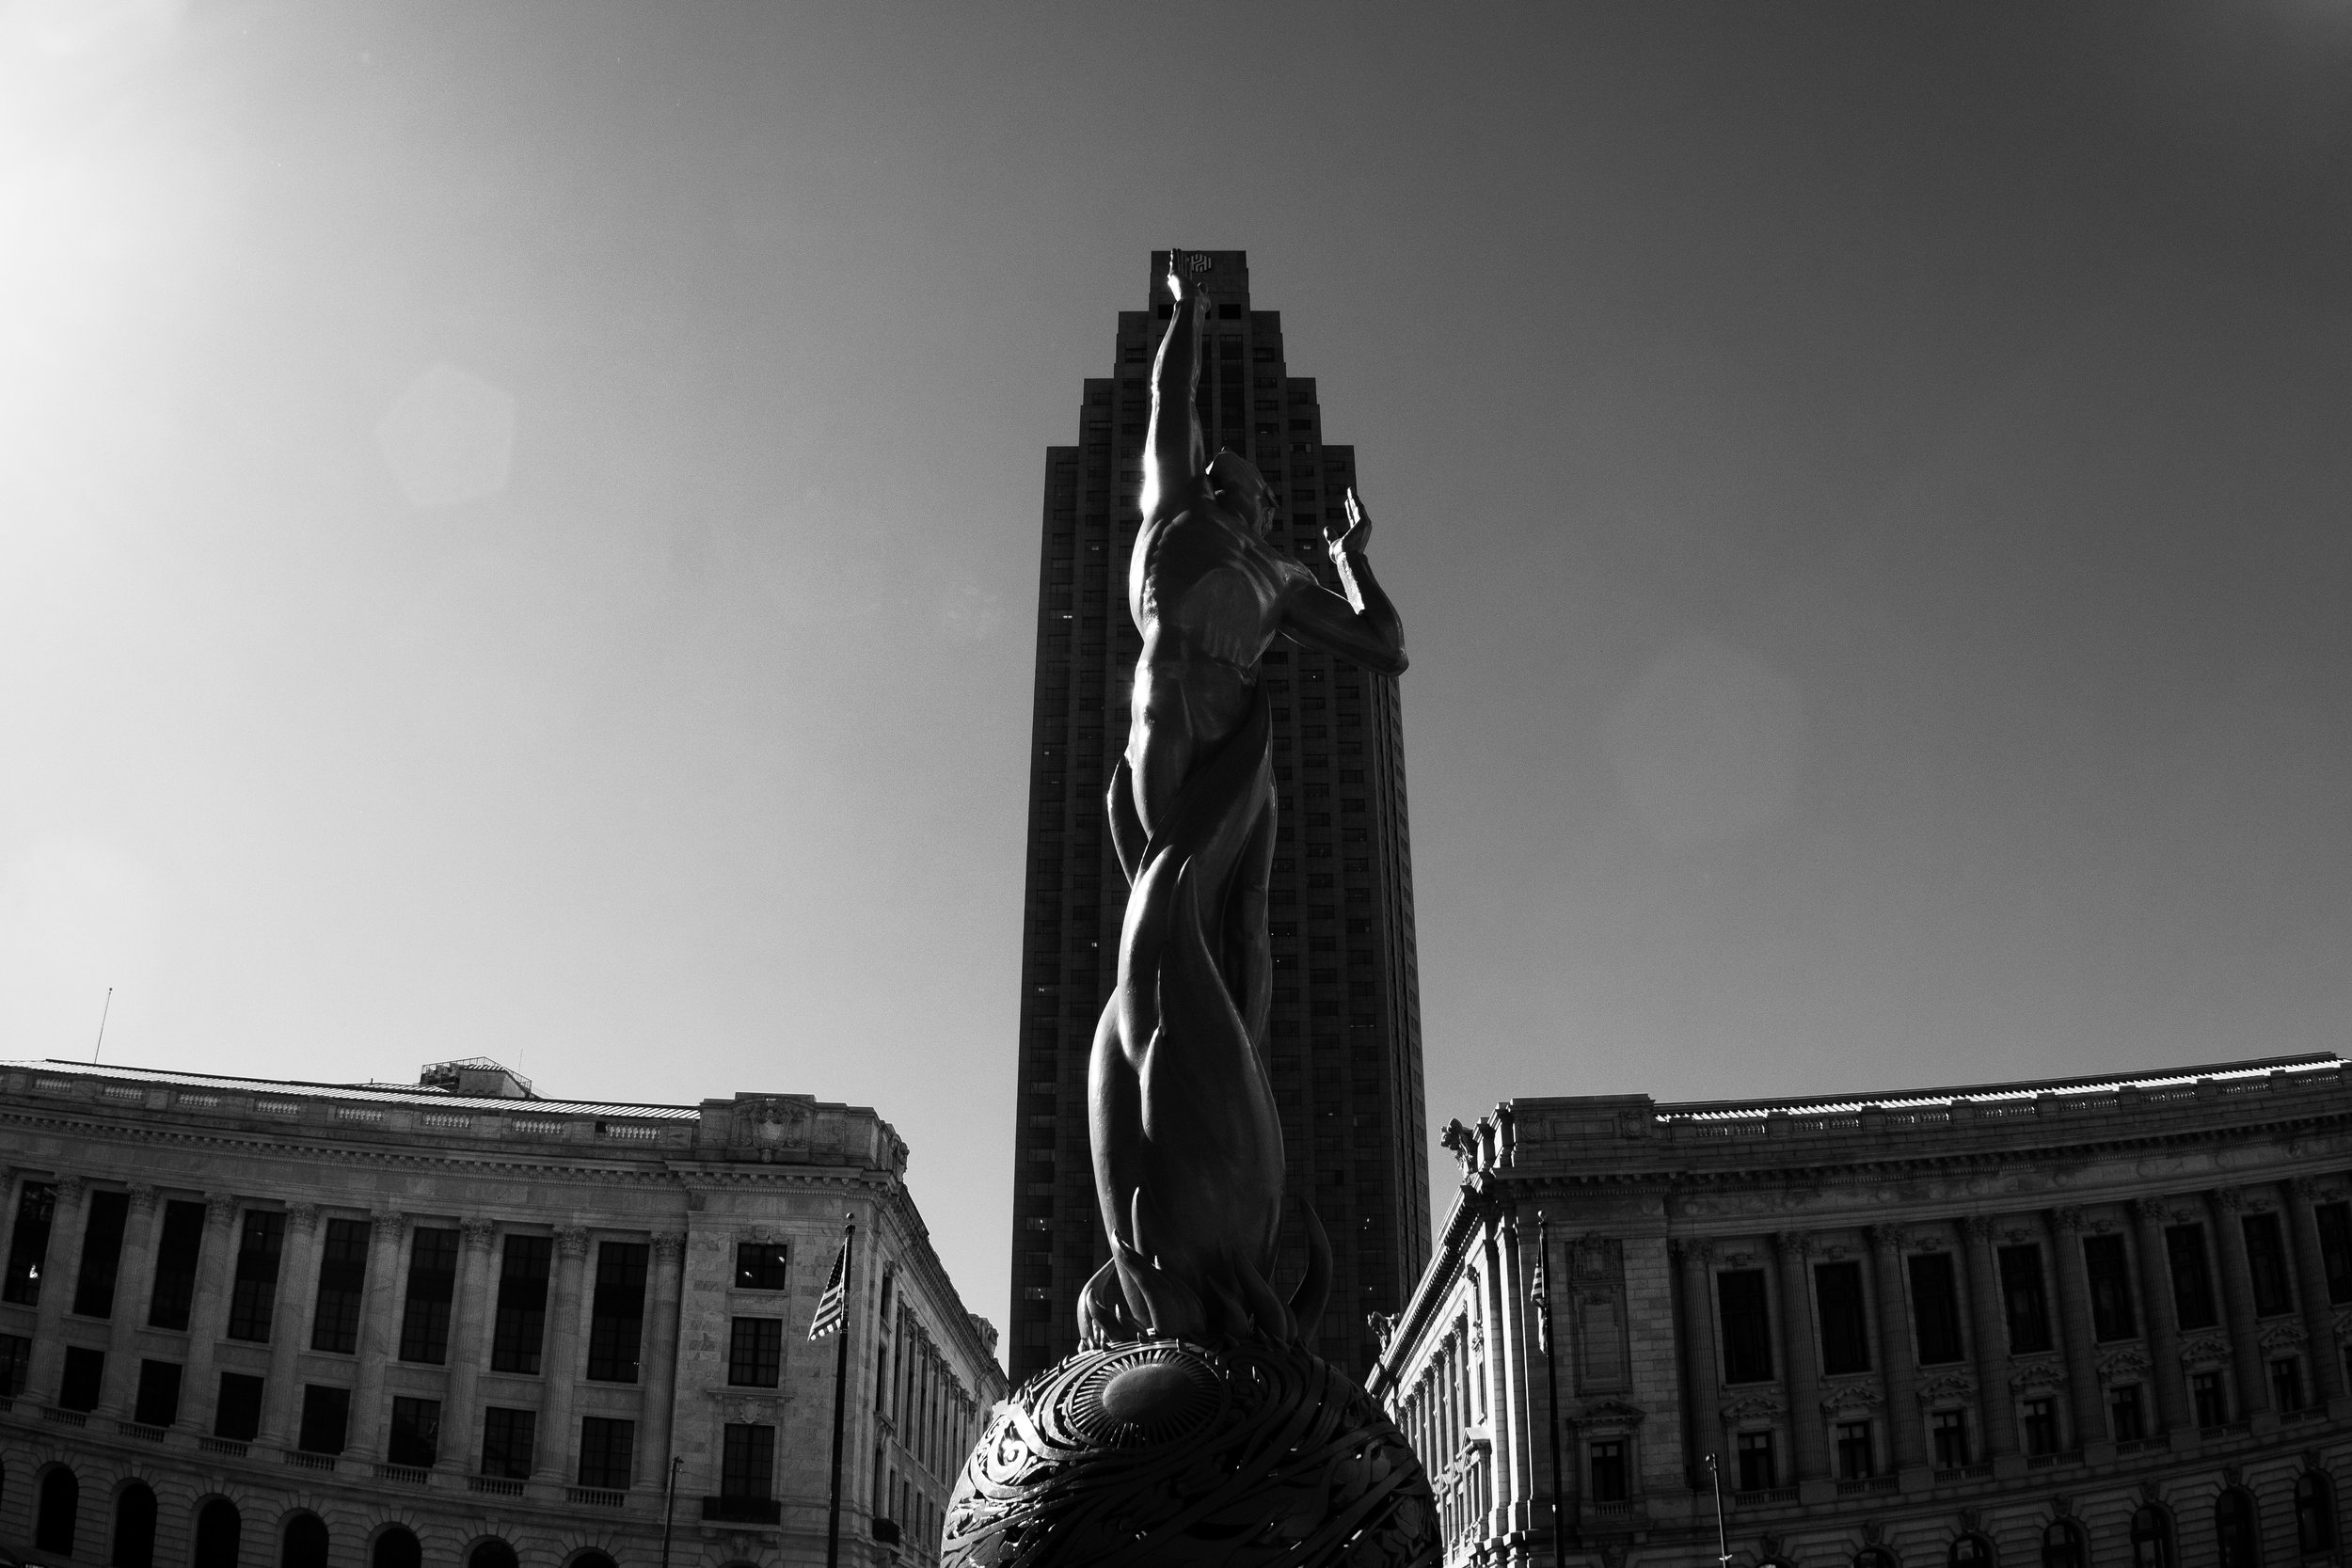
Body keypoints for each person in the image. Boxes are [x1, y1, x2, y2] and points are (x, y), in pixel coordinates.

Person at [1080, 248, 1407, 1349]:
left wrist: (1352, 557)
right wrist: (1187, 315)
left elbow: (1384, 648)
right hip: (1167, 734)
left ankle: (1239, 1103)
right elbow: (1170, 398)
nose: (1252, 488)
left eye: (1258, 488)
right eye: (1241, 481)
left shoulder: (1280, 579)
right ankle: (1166, 1163)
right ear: (1217, 484)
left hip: (1239, 751)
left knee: (1241, 929)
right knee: (1164, 918)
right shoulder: (1174, 518)